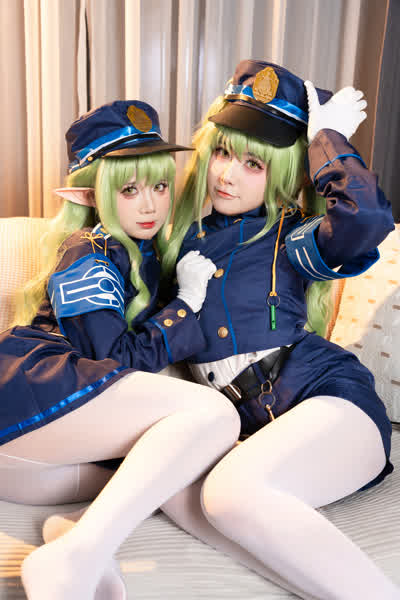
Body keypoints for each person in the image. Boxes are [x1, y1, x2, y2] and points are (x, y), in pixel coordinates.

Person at [155, 61, 397, 599]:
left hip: (332, 402)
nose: (227, 175)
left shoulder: (291, 237)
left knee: (227, 493)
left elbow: (368, 218)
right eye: (223, 153)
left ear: (285, 174)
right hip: (255, 431)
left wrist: (326, 142)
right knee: (175, 490)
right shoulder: (181, 241)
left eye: (253, 164)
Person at [0, 100, 241, 600]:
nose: (150, 205)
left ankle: (74, 534)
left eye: (159, 186)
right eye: (129, 190)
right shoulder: (87, 253)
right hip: (27, 407)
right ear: (90, 195)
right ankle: (74, 556)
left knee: (177, 470)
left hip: (41, 469)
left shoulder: (140, 250)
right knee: (216, 415)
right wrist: (187, 303)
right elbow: (115, 362)